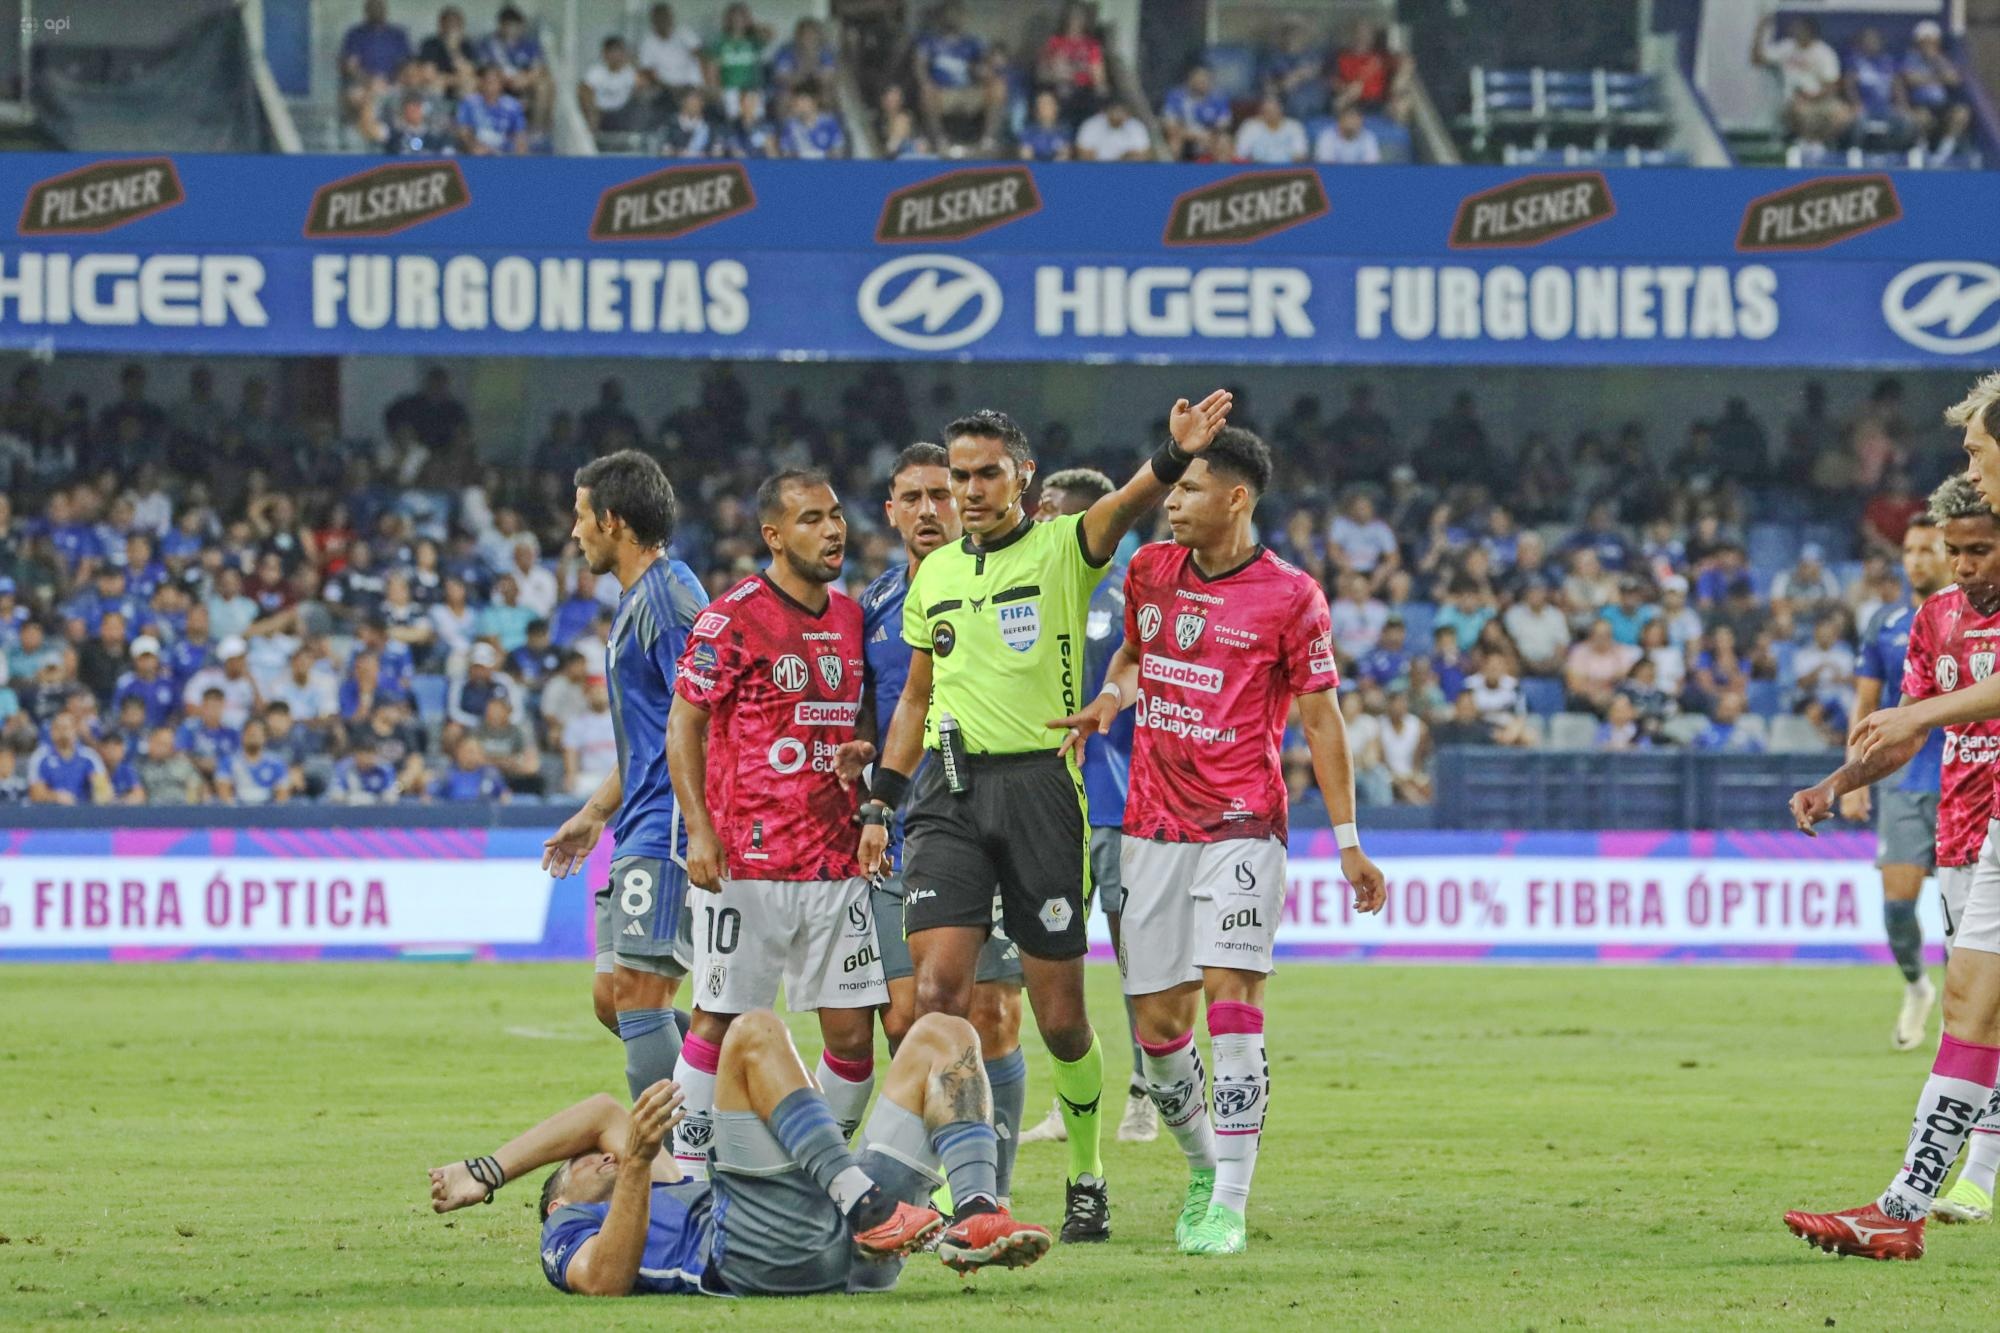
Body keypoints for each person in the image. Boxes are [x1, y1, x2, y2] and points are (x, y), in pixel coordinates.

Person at [859, 392, 1235, 1244]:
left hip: (1040, 791)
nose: (972, 489)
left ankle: (1086, 1171)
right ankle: (968, 1191)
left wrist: (1171, 456)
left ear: (1023, 479)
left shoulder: (1066, 548)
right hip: (948, 794)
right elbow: (917, 694)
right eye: (959, 477)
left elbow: (1127, 502)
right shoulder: (937, 574)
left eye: (989, 473)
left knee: (1060, 1015)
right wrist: (883, 793)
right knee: (936, 995)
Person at [1050, 427, 1387, 1254]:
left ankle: (1228, 1202)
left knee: (1233, 1009)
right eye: (1172, 489)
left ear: (1236, 498)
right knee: (1161, 1029)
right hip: (1153, 825)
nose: (1171, 501)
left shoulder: (1290, 595)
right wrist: (1111, 698)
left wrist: (1347, 840)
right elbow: (1134, 656)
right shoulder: (1148, 571)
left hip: (1243, 823)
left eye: (1189, 489)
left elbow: (1321, 718)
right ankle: (1204, 1166)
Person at [1789, 377, 2000, 1256]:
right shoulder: (1932, 621)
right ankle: (1904, 1207)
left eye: (1978, 450)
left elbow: (1919, 716)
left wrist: (1919, 715)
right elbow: (1904, 725)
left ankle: (1926, 1197)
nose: (1972, 466)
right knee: (1973, 999)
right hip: (1971, 829)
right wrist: (1841, 778)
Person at [427, 1010, 1050, 1294]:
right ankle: (868, 1209)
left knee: (943, 1034)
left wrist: (485, 1171)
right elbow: (602, 1280)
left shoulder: (656, 1177)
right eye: (589, 1162)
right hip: (756, 1253)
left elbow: (600, 1113)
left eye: (612, 1155)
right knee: (751, 1034)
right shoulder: (568, 1226)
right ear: (559, 1199)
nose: (608, 1154)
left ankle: (972, 1210)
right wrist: (639, 1165)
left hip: (842, 1243)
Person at [665, 470, 886, 1179]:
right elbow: (685, 722)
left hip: (835, 859)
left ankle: (808, 1172)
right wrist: (699, 829)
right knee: (720, 1017)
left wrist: (861, 751)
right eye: (811, 519)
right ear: (772, 534)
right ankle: (692, 1181)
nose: (832, 531)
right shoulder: (732, 617)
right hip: (746, 862)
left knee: (852, 1040)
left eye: (835, 516)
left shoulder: (852, 619)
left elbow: (852, 723)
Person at [856, 444, 1030, 1201]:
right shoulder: (870, 608)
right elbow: (874, 706)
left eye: (939, 493)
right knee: (909, 1016)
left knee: (990, 1012)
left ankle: (992, 1188)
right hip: (896, 834)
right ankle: (924, 1190)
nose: (928, 508)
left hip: (982, 826)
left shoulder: (999, 582)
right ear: (890, 510)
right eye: (911, 496)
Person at [543, 452, 711, 1105]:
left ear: (612, 520)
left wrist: (698, 825)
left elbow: (704, 718)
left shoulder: (669, 603)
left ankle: (674, 1174)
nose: (575, 532)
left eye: (581, 516)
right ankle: (760, 1081)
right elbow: (653, 736)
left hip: (668, 825)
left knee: (641, 999)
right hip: (639, 817)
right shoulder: (641, 599)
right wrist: (593, 812)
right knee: (613, 999)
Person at [1026, 469, 1154, 1146]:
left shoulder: (1132, 587)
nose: (1040, 516)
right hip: (1044, 804)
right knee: (1050, 958)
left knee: (1136, 957)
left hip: (1116, 802)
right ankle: (1066, 1099)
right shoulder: (1036, 584)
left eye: (1052, 508)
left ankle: (1144, 1092)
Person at [1845, 515, 1951, 1050]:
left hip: (1965, 778)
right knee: (1897, 906)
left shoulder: (1973, 617)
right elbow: (1866, 706)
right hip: (1904, 779)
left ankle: (1964, 1021)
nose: (1916, 559)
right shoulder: (1884, 622)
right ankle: (1916, 988)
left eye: (1929, 548)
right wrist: (1855, 779)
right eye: (1909, 549)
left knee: (1966, 916)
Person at [1233, 94, 1308, 164]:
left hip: (1289, 171)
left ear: (1281, 110)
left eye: (1273, 110)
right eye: (1267, 111)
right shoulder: (1250, 127)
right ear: (1261, 111)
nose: (1270, 114)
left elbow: (1300, 156)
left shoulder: (1294, 127)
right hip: (1257, 171)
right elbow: (1240, 155)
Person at [1075, 100, 1151, 162]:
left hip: (1125, 169)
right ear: (1108, 112)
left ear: (1127, 114)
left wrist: (1125, 158)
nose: (1118, 116)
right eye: (1115, 112)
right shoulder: (1092, 125)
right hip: (1097, 168)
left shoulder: (1136, 127)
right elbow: (1083, 153)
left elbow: (1143, 154)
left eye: (1121, 113)